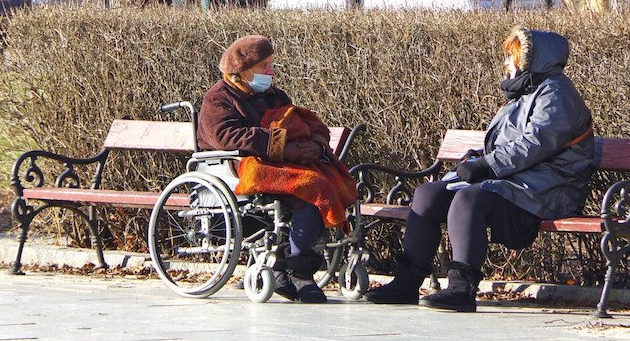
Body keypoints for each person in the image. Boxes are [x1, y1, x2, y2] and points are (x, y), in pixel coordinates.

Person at [365, 26, 595, 312]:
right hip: (517, 182)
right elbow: (509, 143)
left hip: (550, 188)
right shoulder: (525, 92)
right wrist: (479, 158)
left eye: (511, 57)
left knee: (469, 198)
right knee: (428, 195)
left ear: (529, 61)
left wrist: (488, 165)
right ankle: (406, 283)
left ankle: (461, 288)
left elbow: (536, 143)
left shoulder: (557, 93)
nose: (506, 63)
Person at [198, 35, 336, 304]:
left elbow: (303, 122)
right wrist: (284, 145)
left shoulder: (274, 96)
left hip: (279, 163)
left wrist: (316, 145)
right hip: (240, 166)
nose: (271, 72)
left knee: (332, 181)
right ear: (243, 69)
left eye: (271, 65)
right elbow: (227, 136)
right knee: (312, 189)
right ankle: (299, 272)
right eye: (264, 66)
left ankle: (284, 268)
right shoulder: (218, 99)